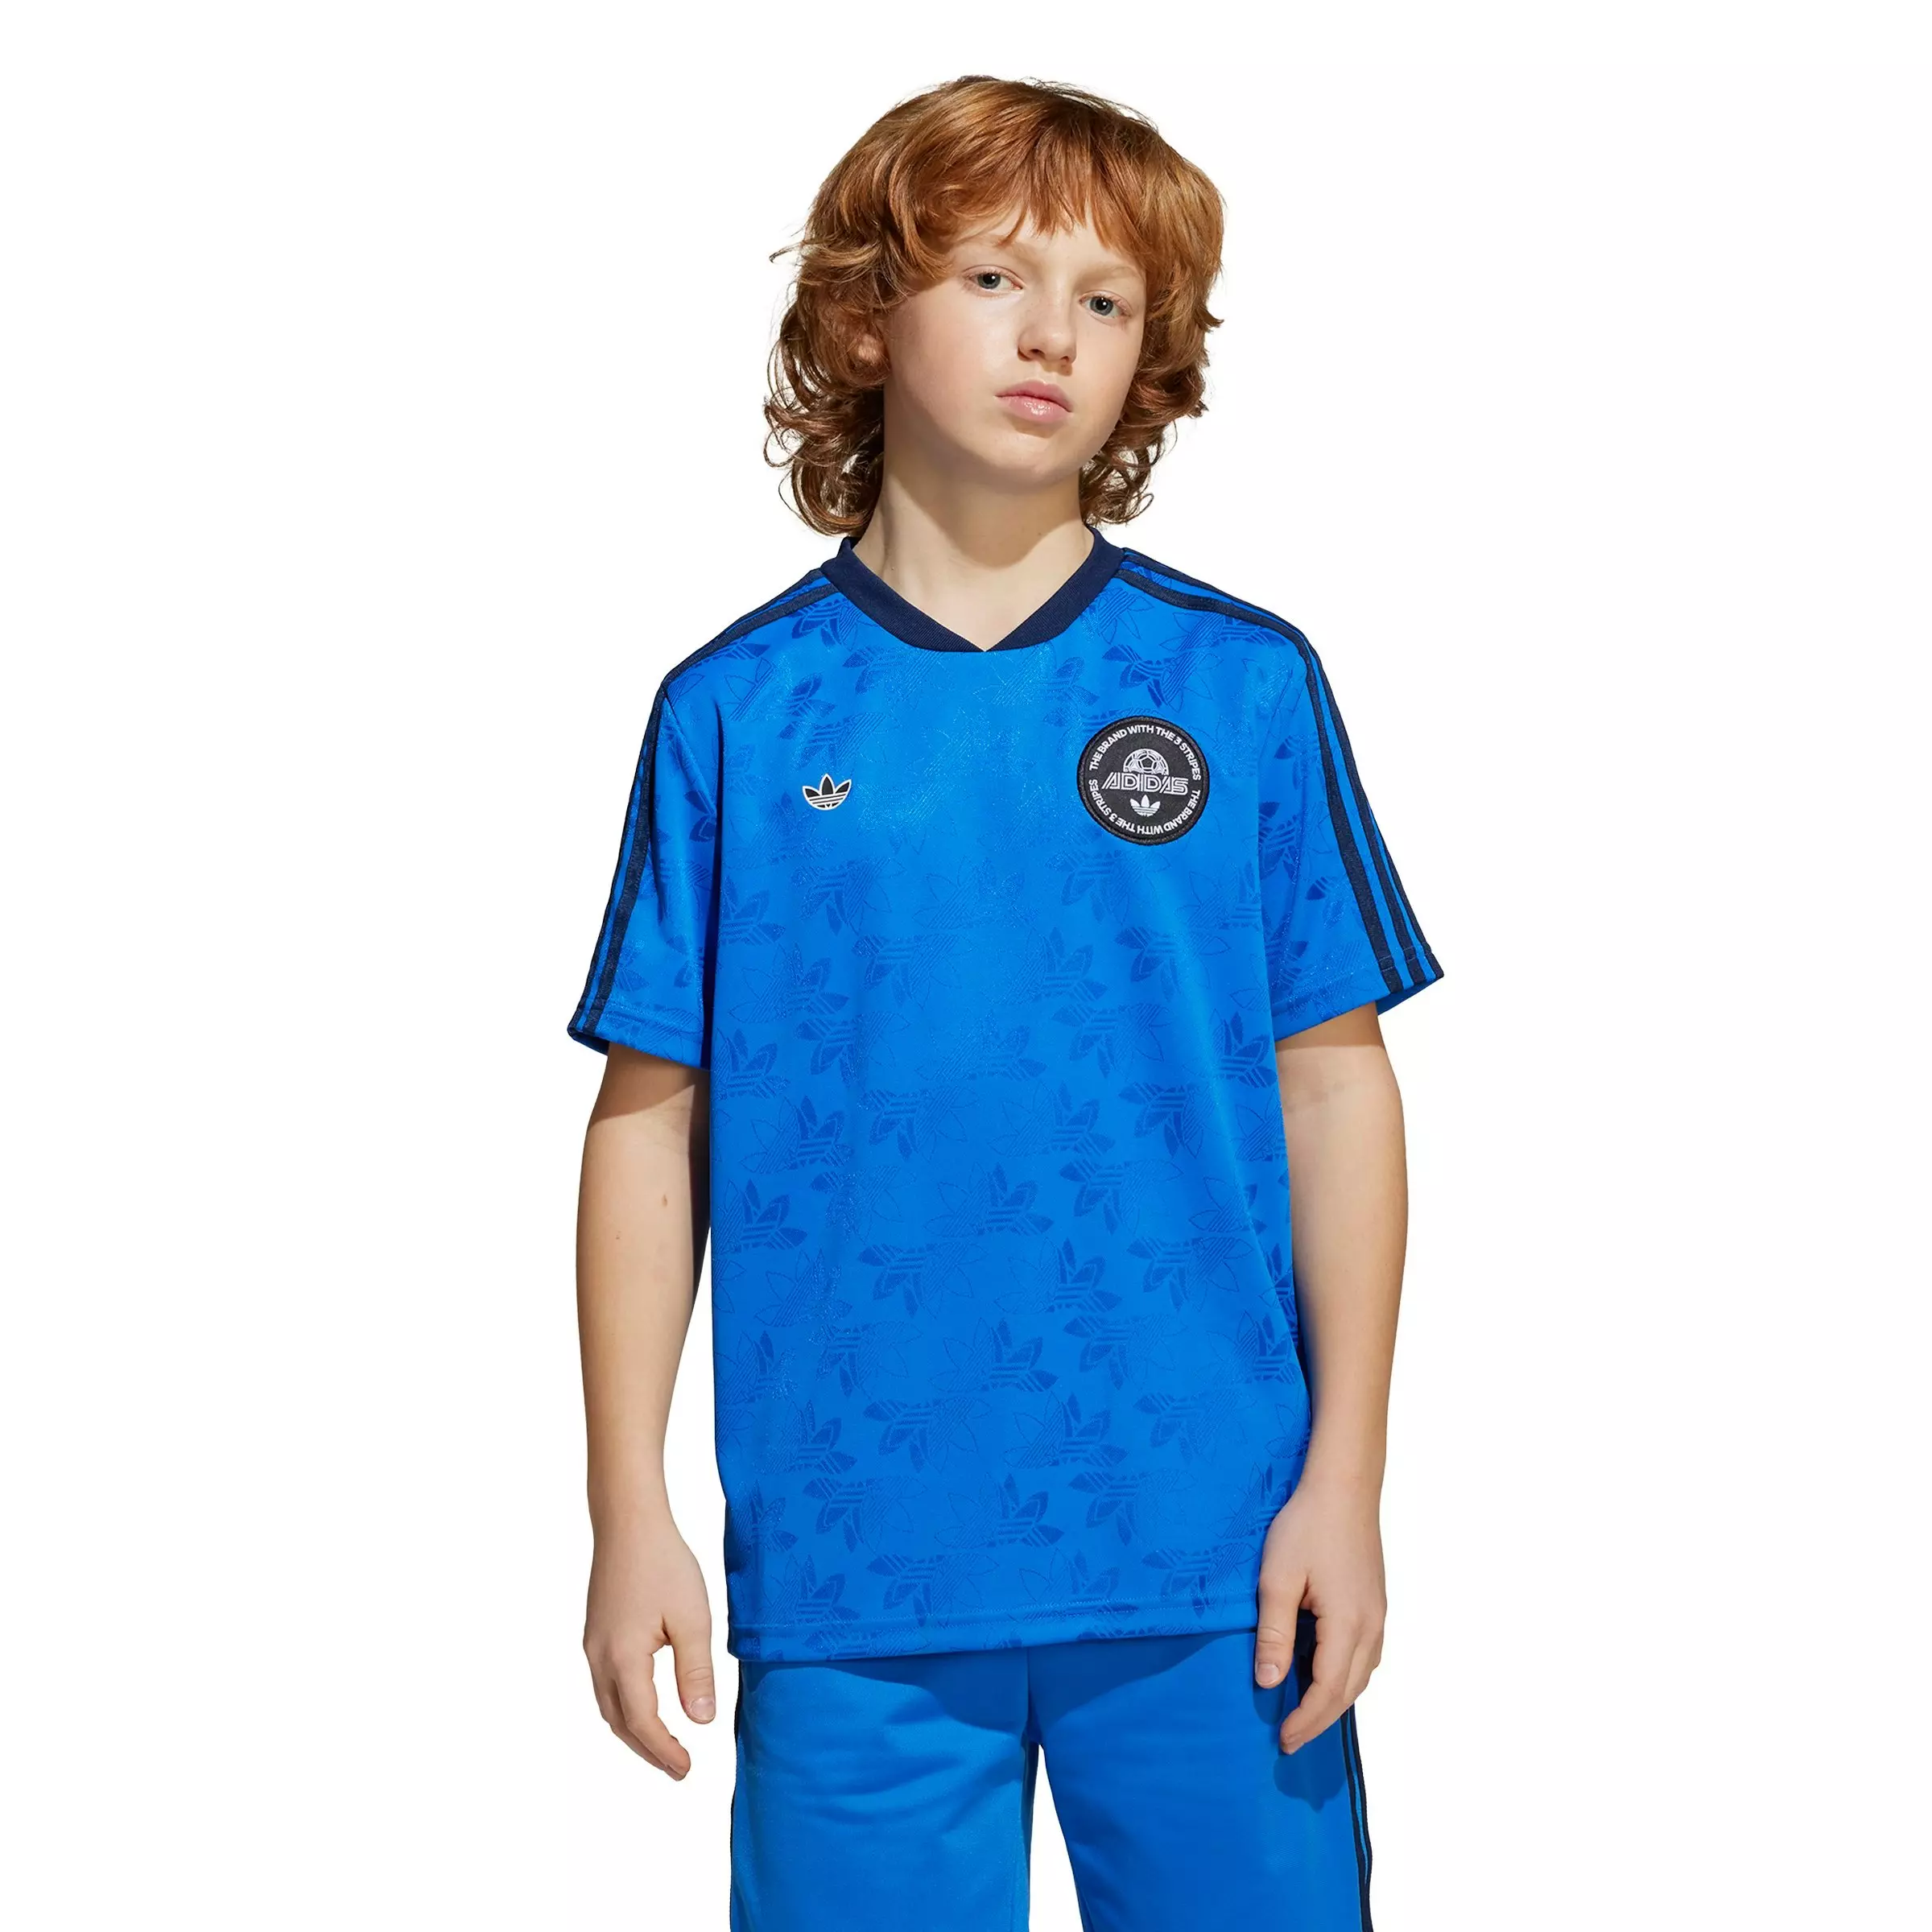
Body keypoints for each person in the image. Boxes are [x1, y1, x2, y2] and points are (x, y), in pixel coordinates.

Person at [568, 74, 1441, 1932]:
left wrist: (1347, 1480)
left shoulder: (1243, 686)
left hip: (1219, 1568)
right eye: (992, 277)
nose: (1053, 332)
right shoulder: (737, 714)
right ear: (863, 320)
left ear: (1151, 360)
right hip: (854, 1577)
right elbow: (650, 1126)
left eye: (1107, 299)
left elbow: (1335, 1090)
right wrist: (628, 1505)